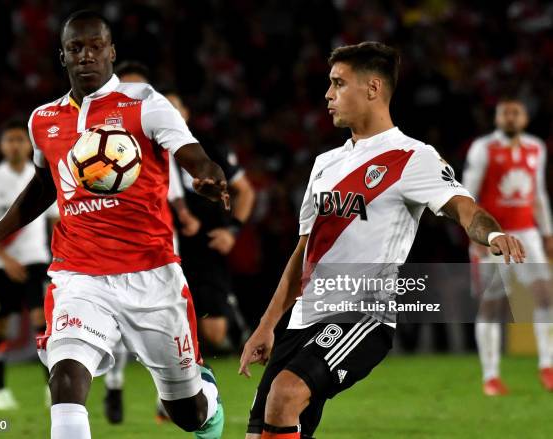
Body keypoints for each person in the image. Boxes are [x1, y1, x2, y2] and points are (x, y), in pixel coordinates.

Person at [238, 42, 525, 439]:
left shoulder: (413, 157)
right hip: (304, 318)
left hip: (362, 315)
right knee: (263, 428)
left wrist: (491, 233)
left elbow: (463, 208)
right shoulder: (325, 164)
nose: (328, 94)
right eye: (329, 84)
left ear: (372, 89)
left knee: (285, 394)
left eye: (338, 83)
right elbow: (305, 252)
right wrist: (268, 325)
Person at [0, 10, 225, 439]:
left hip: (152, 275)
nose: (86, 55)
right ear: (62, 56)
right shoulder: (43, 120)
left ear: (112, 51)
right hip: (79, 274)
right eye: (75, 48)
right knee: (65, 378)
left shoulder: (146, 104)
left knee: (187, 413)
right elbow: (43, 187)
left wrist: (207, 174)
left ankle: (206, 395)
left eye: (95, 46)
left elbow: (193, 154)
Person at [100, 60, 201, 425]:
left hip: (157, 246)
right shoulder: (97, 140)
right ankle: (114, 384)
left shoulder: (156, 132)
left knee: (165, 322)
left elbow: (173, 190)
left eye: (140, 89)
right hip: (111, 245)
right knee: (113, 319)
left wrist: (186, 215)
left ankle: (169, 394)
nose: (132, 96)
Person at [462, 97, 553, 395]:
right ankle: (490, 377)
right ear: (498, 119)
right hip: (494, 236)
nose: (511, 117)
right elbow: (467, 195)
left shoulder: (536, 147)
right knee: (492, 305)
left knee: (546, 296)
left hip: (527, 233)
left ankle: (548, 366)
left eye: (516, 112)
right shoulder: (484, 148)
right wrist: (475, 237)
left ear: (525, 118)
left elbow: (537, 193)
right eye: (505, 113)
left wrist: (547, 232)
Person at [0, 120, 58, 410]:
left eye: (20, 140)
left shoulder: (44, 176)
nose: (15, 145)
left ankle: (52, 389)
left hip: (36, 262)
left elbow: (57, 221)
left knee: (43, 324)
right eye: (9, 140)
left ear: (29, 144)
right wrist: (5, 259)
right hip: (0, 267)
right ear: (1, 146)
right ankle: (0, 391)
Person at [165, 90, 255, 353]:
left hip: (206, 246)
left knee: (214, 333)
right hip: (165, 245)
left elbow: (245, 191)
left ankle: (234, 329)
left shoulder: (209, 147)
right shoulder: (148, 151)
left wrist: (232, 230)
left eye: (175, 108)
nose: (170, 115)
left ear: (186, 113)